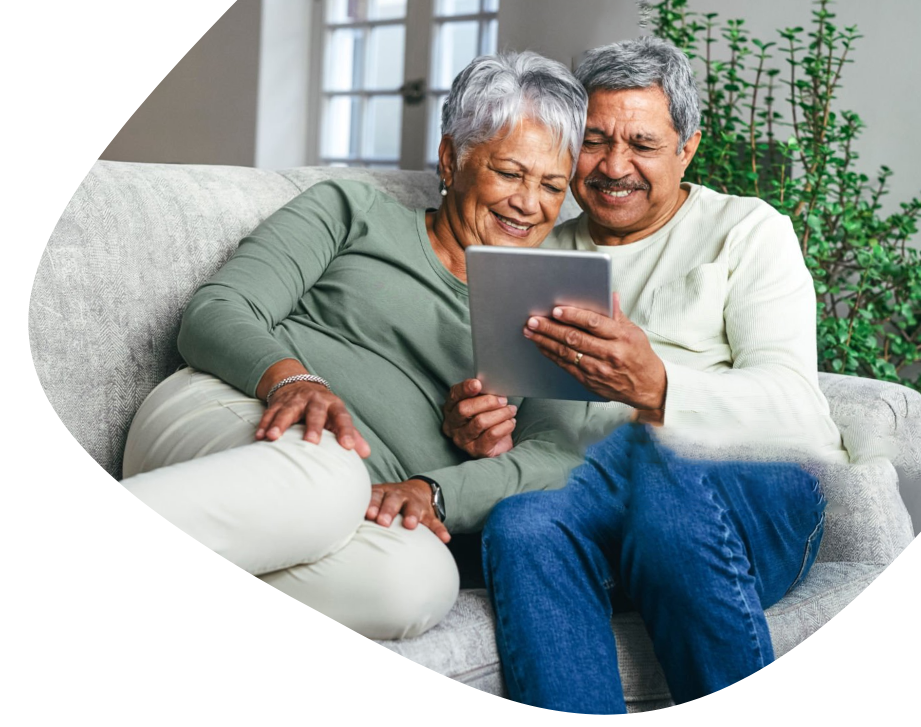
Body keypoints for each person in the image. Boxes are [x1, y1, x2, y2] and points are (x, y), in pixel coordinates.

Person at [119, 50, 589, 641]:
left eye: (553, 184)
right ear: (451, 159)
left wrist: (438, 488)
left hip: (360, 508)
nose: (531, 203)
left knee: (418, 584)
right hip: (237, 418)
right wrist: (294, 379)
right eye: (511, 172)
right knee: (330, 479)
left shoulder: (554, 305)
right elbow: (218, 310)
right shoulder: (354, 212)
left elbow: (558, 455)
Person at [442, 37, 847, 712]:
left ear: (685, 148)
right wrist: (480, 423)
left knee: (662, 476)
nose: (613, 165)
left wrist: (656, 385)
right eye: (595, 141)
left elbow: (799, 409)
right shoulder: (538, 246)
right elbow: (525, 420)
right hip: (595, 494)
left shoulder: (746, 230)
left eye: (642, 143)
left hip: (756, 492)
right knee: (521, 523)